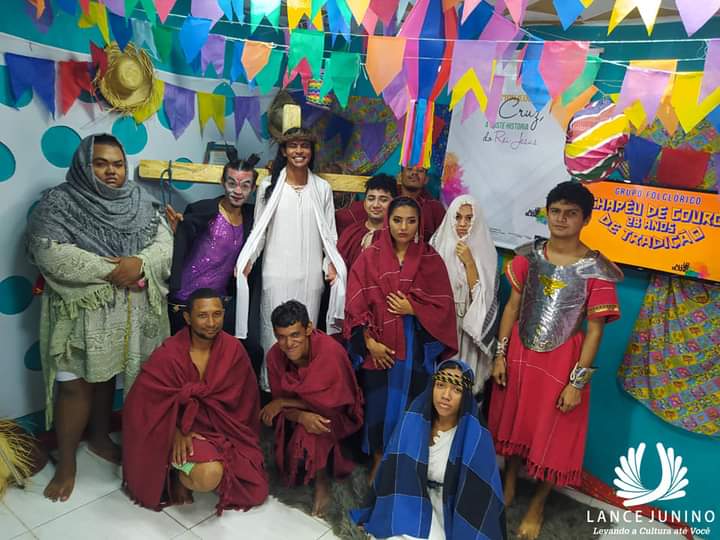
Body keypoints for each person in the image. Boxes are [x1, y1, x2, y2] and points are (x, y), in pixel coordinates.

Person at [26, 133, 172, 502]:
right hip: (81, 312)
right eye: (101, 163)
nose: (111, 171)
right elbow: (48, 252)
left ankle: (99, 438)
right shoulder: (59, 203)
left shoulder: (140, 200)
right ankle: (66, 464)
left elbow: (164, 243)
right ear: (84, 166)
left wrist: (139, 262)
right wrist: (116, 271)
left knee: (109, 376)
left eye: (118, 164)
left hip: (128, 311)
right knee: (74, 385)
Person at [489, 181, 622, 540]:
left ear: (585, 219)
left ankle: (538, 504)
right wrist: (500, 355)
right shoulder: (528, 256)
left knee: (554, 432)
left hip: (562, 362)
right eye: (556, 211)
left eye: (571, 213)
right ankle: (510, 480)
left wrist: (576, 383)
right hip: (521, 351)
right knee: (517, 420)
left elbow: (595, 332)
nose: (561, 219)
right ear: (546, 214)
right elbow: (512, 308)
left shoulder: (595, 269)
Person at [122, 289, 268, 513]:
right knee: (209, 475)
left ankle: (196, 462)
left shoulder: (233, 349)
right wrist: (175, 432)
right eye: (202, 315)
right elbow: (142, 406)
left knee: (256, 491)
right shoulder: (169, 354)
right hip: (180, 431)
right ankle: (175, 473)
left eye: (217, 314)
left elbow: (246, 403)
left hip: (224, 430)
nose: (211, 323)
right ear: (187, 318)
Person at [345, 197, 457, 484]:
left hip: (415, 347)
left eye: (411, 221)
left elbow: (443, 307)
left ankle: (401, 463)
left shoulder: (431, 259)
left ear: (420, 223)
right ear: (388, 222)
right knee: (378, 404)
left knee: (411, 406)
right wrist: (368, 343)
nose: (404, 227)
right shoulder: (370, 257)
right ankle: (378, 459)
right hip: (378, 346)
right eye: (397, 220)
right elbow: (355, 303)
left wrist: (414, 309)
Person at [234, 128, 346, 389]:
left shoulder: (322, 188)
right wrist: (248, 259)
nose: (299, 151)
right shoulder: (268, 186)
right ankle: (273, 390)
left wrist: (330, 264)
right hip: (276, 275)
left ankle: (304, 390)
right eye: (293, 146)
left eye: (304, 146)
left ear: (311, 151)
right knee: (274, 335)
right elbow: (259, 231)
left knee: (303, 337)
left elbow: (329, 235)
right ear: (284, 151)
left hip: (310, 278)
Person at [351, 360, 507, 540]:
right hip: (411, 493)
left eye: (456, 390)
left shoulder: (476, 437)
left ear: (465, 396)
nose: (446, 395)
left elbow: (478, 496)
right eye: (440, 385)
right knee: (392, 534)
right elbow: (393, 471)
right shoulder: (413, 419)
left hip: (448, 507)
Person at [260, 300, 363, 516]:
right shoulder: (274, 356)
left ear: (308, 328)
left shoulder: (330, 352)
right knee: (302, 422)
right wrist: (298, 414)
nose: (288, 344)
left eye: (295, 335)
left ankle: (321, 482)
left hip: (337, 413)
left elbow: (336, 402)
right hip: (295, 414)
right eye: (281, 337)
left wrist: (285, 403)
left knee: (316, 425)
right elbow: (278, 403)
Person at [167, 156, 259, 336]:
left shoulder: (252, 218)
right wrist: (179, 232)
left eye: (245, 186)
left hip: (219, 303)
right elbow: (186, 236)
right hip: (185, 299)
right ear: (222, 182)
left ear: (253, 188)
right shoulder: (203, 210)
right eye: (232, 184)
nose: (238, 191)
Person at [430, 195, 499, 396]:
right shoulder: (437, 244)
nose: (462, 224)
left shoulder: (486, 251)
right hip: (442, 325)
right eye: (458, 217)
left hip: (469, 328)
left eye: (469, 218)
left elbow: (483, 298)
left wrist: (469, 262)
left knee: (463, 381)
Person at [336, 166, 445, 241]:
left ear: (426, 179)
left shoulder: (434, 208)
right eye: (409, 169)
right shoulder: (386, 197)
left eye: (420, 171)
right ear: (400, 175)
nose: (414, 173)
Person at [337, 174, 397, 270]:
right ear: (364, 203)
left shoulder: (398, 236)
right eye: (371, 199)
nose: (376, 205)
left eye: (383, 200)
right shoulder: (351, 233)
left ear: (393, 204)